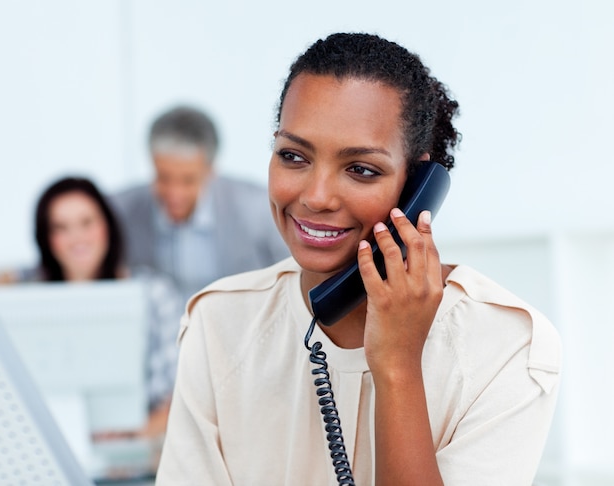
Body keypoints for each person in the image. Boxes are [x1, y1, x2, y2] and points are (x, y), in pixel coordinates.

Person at [156, 33, 562, 485]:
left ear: (416, 187)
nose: (316, 197)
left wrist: (397, 365)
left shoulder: (506, 347)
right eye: (293, 156)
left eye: (361, 169)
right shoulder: (218, 323)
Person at [0, 176, 183, 439]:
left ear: (107, 226)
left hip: (138, 457)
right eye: (61, 228)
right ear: (47, 238)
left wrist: (134, 439)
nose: (76, 238)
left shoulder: (155, 293)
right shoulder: (28, 297)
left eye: (86, 223)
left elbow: (182, 395)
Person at [110, 105, 290, 301]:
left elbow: (294, 279)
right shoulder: (120, 211)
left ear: (211, 170)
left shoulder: (258, 209)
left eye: (187, 180)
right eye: (163, 177)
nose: (174, 193)